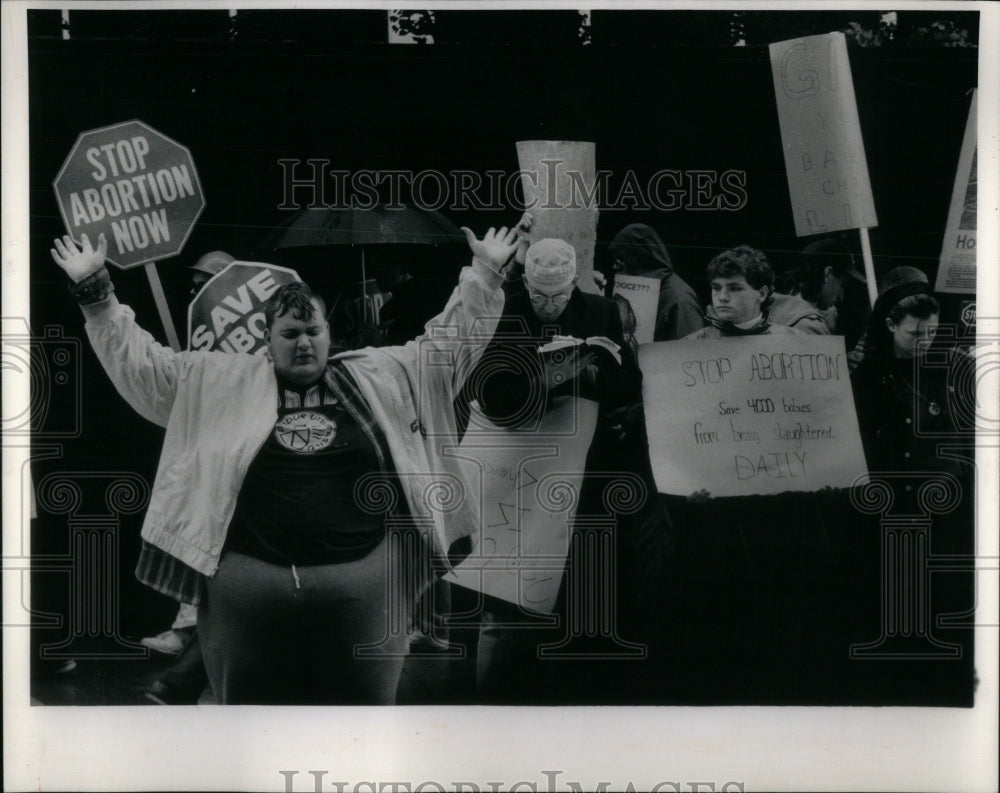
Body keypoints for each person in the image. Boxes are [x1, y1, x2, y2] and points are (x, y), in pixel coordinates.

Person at [50, 218, 527, 705]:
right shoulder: (219, 380)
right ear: (267, 337)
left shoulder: (380, 374)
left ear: (328, 330)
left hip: (363, 586)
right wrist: (98, 294)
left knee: (363, 724)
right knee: (253, 727)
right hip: (249, 591)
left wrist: (485, 274)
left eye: (313, 331)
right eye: (290, 333)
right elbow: (144, 368)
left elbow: (448, 345)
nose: (304, 342)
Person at [469, 238, 672, 702]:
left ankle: (568, 688)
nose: (547, 305)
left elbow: (627, 383)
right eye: (540, 296)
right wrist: (549, 378)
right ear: (527, 283)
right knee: (509, 596)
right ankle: (494, 702)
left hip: (582, 468)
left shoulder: (600, 311)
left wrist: (601, 373)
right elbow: (488, 390)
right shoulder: (506, 308)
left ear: (573, 282)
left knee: (577, 585)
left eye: (558, 297)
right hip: (517, 467)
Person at [607, 223, 703, 340]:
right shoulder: (648, 291)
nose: (615, 267)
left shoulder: (679, 300)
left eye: (620, 260)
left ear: (640, 260)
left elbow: (689, 352)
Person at [684, 244, 798, 339]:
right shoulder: (693, 345)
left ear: (762, 294)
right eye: (717, 288)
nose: (722, 297)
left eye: (734, 288)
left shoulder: (793, 340)